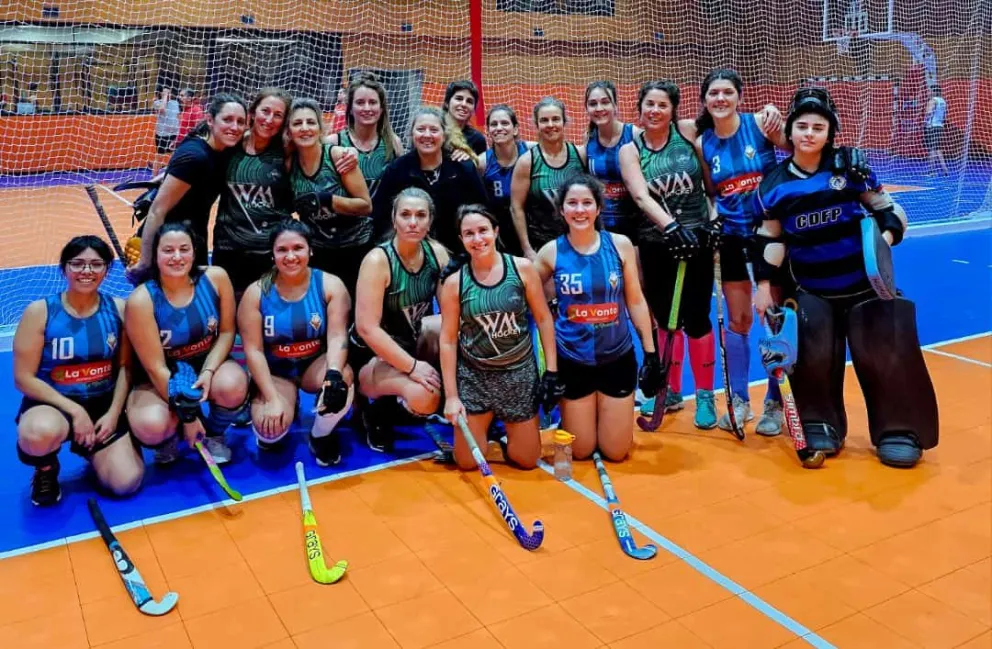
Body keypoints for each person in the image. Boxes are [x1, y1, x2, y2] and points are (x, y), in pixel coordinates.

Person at [751, 87, 936, 468]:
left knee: (885, 356)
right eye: (802, 126)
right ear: (790, 130)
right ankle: (819, 423)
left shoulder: (851, 168)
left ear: (830, 132)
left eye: (818, 127)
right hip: (812, 289)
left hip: (866, 287)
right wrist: (764, 287)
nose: (809, 134)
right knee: (814, 359)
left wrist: (879, 249)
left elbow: (889, 212)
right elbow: (771, 240)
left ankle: (898, 430)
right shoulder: (773, 185)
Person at [534, 175, 659, 460]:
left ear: (598, 208)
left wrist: (651, 354)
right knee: (579, 451)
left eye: (587, 203)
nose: (580, 210)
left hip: (617, 358)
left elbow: (635, 300)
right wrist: (550, 370)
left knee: (616, 452)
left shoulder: (620, 245)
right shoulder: (550, 252)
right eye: (572, 203)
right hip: (573, 361)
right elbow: (524, 287)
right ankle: (576, 418)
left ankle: (599, 416)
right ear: (562, 210)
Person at [619, 80, 721, 429]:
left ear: (673, 109)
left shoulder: (688, 133)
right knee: (665, 320)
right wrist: (672, 228)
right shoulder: (631, 150)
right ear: (639, 108)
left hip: (698, 238)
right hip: (657, 243)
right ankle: (671, 390)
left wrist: (713, 219)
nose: (655, 111)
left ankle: (704, 395)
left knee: (698, 319)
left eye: (662, 105)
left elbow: (709, 185)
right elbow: (640, 196)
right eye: (649, 104)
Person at [13, 236, 143, 506]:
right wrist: (75, 411)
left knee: (125, 483)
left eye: (96, 264)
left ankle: (96, 452)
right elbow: (23, 378)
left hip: (102, 405)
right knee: (37, 432)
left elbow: (125, 368)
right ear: (64, 268)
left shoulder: (119, 309)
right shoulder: (40, 312)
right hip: (54, 404)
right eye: (78, 263)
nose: (87, 271)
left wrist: (114, 414)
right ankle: (46, 468)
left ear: (107, 269)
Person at [694, 69, 788, 436]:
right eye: (713, 93)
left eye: (727, 92)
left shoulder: (760, 124)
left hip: (769, 235)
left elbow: (795, 149)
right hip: (732, 238)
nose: (720, 98)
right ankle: (740, 399)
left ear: (739, 96)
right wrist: (713, 219)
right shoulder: (703, 143)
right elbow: (711, 192)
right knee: (738, 321)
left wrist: (778, 115)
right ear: (705, 100)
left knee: (773, 317)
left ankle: (776, 402)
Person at [439, 205, 560, 470]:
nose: (477, 239)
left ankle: (503, 435)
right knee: (467, 462)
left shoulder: (522, 269)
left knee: (527, 461)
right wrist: (451, 396)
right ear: (461, 239)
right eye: (469, 233)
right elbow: (447, 340)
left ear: (495, 231)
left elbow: (543, 318)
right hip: (475, 377)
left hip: (518, 375)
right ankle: (485, 428)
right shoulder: (454, 283)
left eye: (483, 230)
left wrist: (551, 372)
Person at [125, 222, 249, 465]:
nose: (177, 257)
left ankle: (214, 434)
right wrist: (188, 417)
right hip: (164, 373)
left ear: (195, 252)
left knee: (232, 385)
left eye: (184, 249)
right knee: (152, 424)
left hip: (204, 362)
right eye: (168, 250)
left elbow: (226, 332)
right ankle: (169, 437)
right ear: (155, 254)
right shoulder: (141, 300)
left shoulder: (216, 278)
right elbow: (155, 367)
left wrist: (209, 371)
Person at [238, 220, 354, 466]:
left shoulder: (330, 285)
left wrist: (333, 374)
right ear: (272, 254)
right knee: (269, 432)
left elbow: (337, 336)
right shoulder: (256, 293)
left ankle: (321, 435)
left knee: (342, 379)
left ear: (310, 250)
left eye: (298, 248)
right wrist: (272, 398)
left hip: (314, 366)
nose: (290, 256)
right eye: (282, 250)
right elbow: (253, 351)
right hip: (277, 372)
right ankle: (280, 399)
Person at [353, 188, 450, 451]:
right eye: (405, 215)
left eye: (420, 215)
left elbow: (452, 314)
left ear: (430, 221)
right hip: (373, 353)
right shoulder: (378, 260)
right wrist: (412, 367)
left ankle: (400, 400)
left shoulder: (437, 254)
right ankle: (371, 408)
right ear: (394, 219)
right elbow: (366, 329)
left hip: (410, 341)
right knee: (426, 396)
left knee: (449, 327)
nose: (413, 222)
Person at [131, 93, 248, 275]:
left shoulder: (223, 149)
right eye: (227, 119)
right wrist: (145, 262)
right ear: (210, 120)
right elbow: (157, 210)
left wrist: (167, 175)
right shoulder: (195, 156)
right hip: (169, 244)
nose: (234, 127)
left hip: (194, 239)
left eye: (240, 122)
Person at [287, 97, 373, 301]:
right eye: (297, 123)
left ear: (320, 128)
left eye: (310, 122)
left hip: (354, 246)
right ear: (289, 131)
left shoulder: (336, 156)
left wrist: (328, 200)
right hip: (320, 250)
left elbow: (365, 205)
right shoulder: (290, 163)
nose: (305, 128)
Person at [213, 88, 295, 300]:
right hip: (229, 247)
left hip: (269, 251)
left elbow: (319, 148)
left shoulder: (287, 151)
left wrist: (342, 151)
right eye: (265, 111)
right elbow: (199, 153)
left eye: (278, 115)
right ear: (252, 112)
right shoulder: (230, 144)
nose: (269, 119)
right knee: (228, 312)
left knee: (266, 312)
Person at [373, 106, 488, 252]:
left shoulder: (463, 168)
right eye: (421, 129)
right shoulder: (397, 170)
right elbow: (381, 216)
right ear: (412, 134)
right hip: (410, 253)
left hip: (458, 253)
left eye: (434, 130)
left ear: (444, 135)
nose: (427, 135)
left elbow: (483, 211)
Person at [510, 97, 588, 263]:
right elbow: (516, 208)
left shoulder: (580, 155)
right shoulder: (527, 162)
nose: (550, 124)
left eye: (556, 119)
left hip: (578, 242)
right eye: (544, 120)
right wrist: (527, 249)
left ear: (564, 122)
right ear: (536, 124)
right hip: (542, 246)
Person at [326, 73, 404, 200]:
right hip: (345, 211)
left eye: (372, 102)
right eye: (360, 102)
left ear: (381, 108)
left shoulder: (394, 143)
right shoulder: (333, 143)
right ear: (350, 109)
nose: (367, 108)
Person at [584, 81, 639, 242]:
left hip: (635, 225)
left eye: (605, 102)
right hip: (601, 226)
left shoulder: (633, 134)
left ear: (615, 105)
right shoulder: (588, 139)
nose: (599, 108)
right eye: (593, 104)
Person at [477, 104, 533, 256]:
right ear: (488, 131)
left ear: (515, 129)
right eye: (494, 124)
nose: (499, 128)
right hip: (501, 235)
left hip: (534, 228)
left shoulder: (532, 151)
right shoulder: (482, 163)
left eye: (504, 123)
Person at [442, 80, 488, 155]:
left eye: (469, 101)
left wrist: (470, 157)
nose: (464, 104)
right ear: (447, 103)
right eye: (459, 98)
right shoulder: (435, 131)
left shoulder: (478, 139)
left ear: (474, 109)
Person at [151, 86, 180, 176]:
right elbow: (162, 109)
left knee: (176, 156)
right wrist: (165, 96)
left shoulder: (175, 103)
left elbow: (178, 116)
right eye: (165, 92)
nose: (168, 94)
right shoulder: (157, 103)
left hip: (174, 134)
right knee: (159, 157)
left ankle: (174, 176)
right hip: (162, 135)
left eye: (169, 92)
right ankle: (154, 179)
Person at [924, 85, 949, 176]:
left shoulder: (933, 101)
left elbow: (929, 113)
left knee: (932, 149)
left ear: (933, 92)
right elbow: (945, 114)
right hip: (940, 126)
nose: (928, 92)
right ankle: (945, 170)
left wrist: (926, 121)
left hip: (932, 126)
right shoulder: (943, 101)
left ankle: (931, 171)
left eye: (930, 91)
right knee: (938, 149)